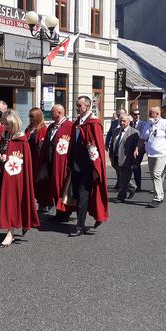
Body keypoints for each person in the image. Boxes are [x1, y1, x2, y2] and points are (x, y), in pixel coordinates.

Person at [0, 109, 39, 247]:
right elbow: (1, 151)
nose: (5, 126)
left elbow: (23, 161)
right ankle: (12, 228)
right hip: (5, 175)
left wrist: (7, 158)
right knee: (7, 202)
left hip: (16, 177)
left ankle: (10, 233)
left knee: (14, 202)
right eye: (4, 123)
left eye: (7, 124)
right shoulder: (4, 135)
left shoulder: (21, 139)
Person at [66, 96, 109, 236]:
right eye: (77, 105)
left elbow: (97, 147)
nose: (77, 108)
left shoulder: (94, 124)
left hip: (88, 167)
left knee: (84, 195)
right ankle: (81, 221)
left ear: (88, 106)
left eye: (80, 105)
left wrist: (97, 168)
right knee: (78, 195)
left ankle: (80, 225)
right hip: (75, 165)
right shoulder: (77, 123)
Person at [142, 106, 166, 207]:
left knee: (156, 174)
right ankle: (160, 195)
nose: (149, 115)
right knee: (153, 175)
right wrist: (137, 149)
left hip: (162, 154)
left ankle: (157, 197)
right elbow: (142, 137)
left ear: (157, 114)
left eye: (151, 113)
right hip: (150, 154)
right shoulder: (148, 124)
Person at [42, 104, 73, 222]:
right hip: (51, 162)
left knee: (62, 187)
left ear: (59, 112)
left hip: (63, 164)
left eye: (52, 112)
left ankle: (64, 213)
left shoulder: (70, 126)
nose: (50, 114)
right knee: (54, 187)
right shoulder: (51, 127)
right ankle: (59, 212)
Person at [109, 113, 139, 202]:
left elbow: (137, 147)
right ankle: (132, 187)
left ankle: (121, 197)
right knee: (121, 177)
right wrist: (111, 155)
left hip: (127, 159)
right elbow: (112, 144)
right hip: (116, 158)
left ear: (129, 122)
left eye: (124, 121)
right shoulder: (116, 131)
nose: (122, 123)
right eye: (120, 121)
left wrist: (135, 159)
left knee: (124, 178)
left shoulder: (134, 132)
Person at [25, 107, 49, 211]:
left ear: (37, 117)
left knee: (41, 183)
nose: (30, 118)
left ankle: (43, 203)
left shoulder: (43, 129)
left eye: (32, 116)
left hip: (38, 160)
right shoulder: (28, 129)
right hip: (28, 159)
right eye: (29, 116)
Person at [105, 108, 126, 190]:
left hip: (123, 147)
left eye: (121, 114)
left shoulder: (128, 122)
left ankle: (123, 183)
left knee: (121, 166)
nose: (120, 116)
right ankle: (120, 181)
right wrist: (106, 143)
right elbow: (109, 133)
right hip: (113, 146)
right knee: (114, 164)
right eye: (118, 114)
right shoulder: (114, 122)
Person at [131, 108, 146, 191]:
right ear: (132, 115)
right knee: (130, 166)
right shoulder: (129, 123)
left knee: (136, 166)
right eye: (135, 114)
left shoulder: (143, 124)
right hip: (130, 148)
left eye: (138, 114)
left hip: (140, 147)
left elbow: (142, 135)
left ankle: (138, 185)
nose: (137, 116)